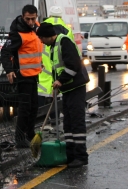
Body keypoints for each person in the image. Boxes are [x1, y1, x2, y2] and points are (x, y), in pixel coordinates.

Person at [37, 22, 90, 168]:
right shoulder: (53, 45)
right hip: (67, 89)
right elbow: (58, 69)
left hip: (75, 88)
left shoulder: (64, 41)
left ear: (48, 36)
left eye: (42, 38)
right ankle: (70, 155)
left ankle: (81, 156)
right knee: (68, 123)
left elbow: (73, 66)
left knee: (76, 121)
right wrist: (58, 86)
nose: (41, 41)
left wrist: (60, 81)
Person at [0, 4, 43, 147]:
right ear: (23, 17)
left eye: (33, 18)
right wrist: (9, 70)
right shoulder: (17, 34)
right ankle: (19, 138)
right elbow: (5, 52)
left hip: (34, 75)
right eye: (28, 19)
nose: (31, 22)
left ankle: (30, 133)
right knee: (24, 108)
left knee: (33, 107)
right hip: (23, 75)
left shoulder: (36, 28)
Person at [38, 5, 74, 100]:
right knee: (57, 104)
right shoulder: (67, 30)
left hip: (43, 68)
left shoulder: (41, 27)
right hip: (58, 69)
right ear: (61, 17)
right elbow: (71, 51)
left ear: (49, 16)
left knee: (42, 100)